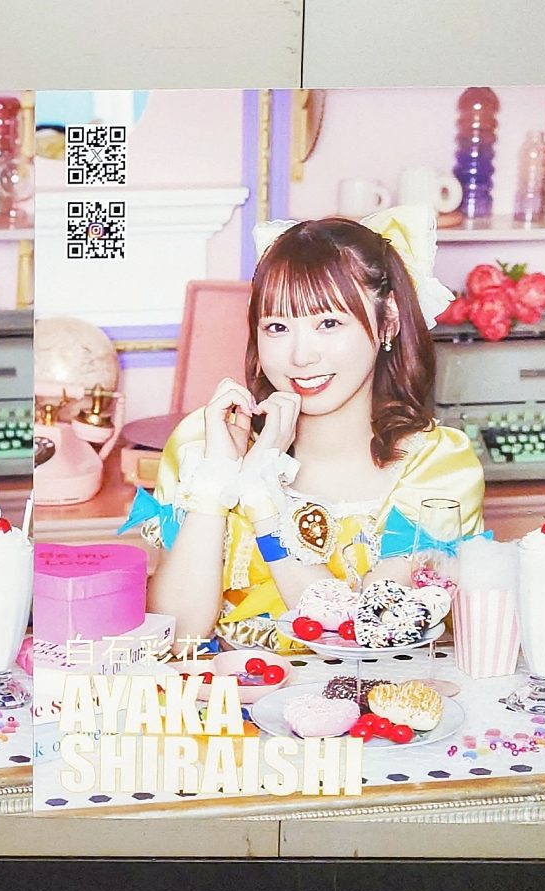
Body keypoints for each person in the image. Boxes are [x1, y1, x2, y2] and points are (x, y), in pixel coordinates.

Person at [128, 207, 485, 649]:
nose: (300, 356)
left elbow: (369, 633)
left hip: (370, 693)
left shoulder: (438, 464)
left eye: (328, 323)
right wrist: (218, 479)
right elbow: (176, 635)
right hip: (227, 691)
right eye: (277, 327)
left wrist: (262, 500)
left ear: (388, 320)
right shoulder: (206, 442)